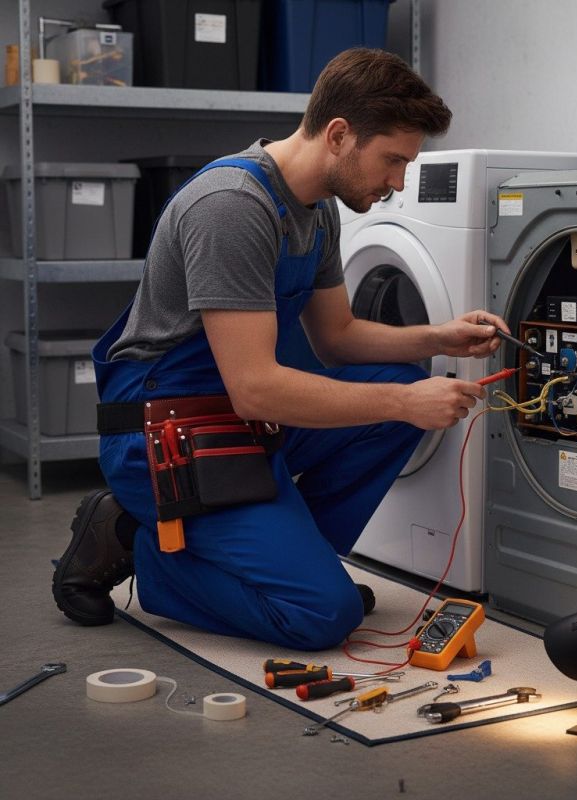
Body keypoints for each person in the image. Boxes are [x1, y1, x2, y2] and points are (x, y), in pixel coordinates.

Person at [52, 48, 510, 650]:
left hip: (241, 426)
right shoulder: (233, 208)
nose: (398, 183)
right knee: (322, 615)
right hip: (167, 434)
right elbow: (255, 387)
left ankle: (297, 561)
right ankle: (137, 541)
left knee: (394, 384)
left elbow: (338, 338)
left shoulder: (317, 212)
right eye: (393, 160)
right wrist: (406, 400)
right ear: (340, 135)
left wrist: (439, 337)